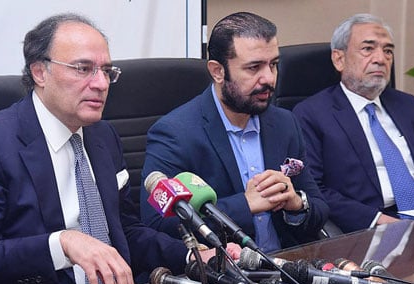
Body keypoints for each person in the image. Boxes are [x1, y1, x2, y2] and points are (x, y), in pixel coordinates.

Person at [0, 13, 231, 284]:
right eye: (83, 69)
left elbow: (126, 230)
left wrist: (193, 257)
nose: (101, 83)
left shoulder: (103, 135)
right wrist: (61, 244)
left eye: (107, 71)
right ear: (40, 72)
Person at [140, 12, 328, 253]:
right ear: (218, 71)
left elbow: (320, 208)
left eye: (273, 65)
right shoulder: (175, 133)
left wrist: (295, 203)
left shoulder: (284, 124)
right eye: (254, 68)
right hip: (225, 276)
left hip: (286, 268)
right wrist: (245, 205)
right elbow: (155, 223)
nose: (269, 79)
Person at [293, 13, 414, 233]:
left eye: (388, 51)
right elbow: (315, 189)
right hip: (369, 227)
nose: (380, 59)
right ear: (339, 59)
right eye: (368, 49)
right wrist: (381, 221)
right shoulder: (311, 114)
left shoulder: (408, 105)